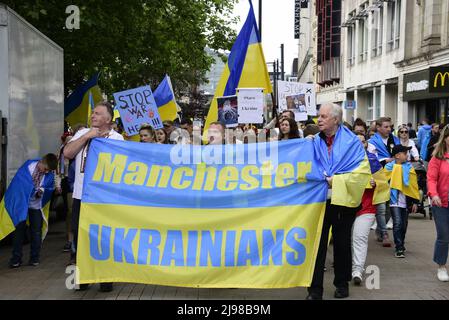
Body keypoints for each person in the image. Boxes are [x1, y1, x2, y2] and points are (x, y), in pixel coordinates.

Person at [307, 103, 370, 300]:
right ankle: (314, 289)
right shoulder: (312, 141)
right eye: (319, 116)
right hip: (317, 201)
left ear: (335, 119)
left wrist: (336, 180)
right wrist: (304, 146)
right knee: (317, 246)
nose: (319, 119)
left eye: (324, 116)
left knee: (342, 245)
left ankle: (342, 284)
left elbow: (361, 173)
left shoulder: (352, 142)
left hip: (343, 202)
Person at [63, 101, 124, 292]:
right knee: (81, 237)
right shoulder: (83, 134)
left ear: (108, 118)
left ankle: (105, 278)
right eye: (93, 113)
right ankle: (82, 278)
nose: (93, 116)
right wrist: (87, 136)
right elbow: (67, 153)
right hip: (82, 196)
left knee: (104, 237)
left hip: (104, 198)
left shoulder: (117, 138)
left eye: (97, 113)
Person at [7, 154, 58, 268]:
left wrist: (42, 190)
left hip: (36, 205)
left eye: (48, 171)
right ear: (42, 162)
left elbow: (50, 188)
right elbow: (17, 183)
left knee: (36, 232)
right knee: (18, 230)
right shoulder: (28, 166)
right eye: (45, 169)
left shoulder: (49, 175)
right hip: (21, 203)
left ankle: (34, 258)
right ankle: (16, 258)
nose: (46, 172)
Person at [351, 133, 382, 285]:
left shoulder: (373, 160)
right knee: (343, 240)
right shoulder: (343, 160)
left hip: (366, 206)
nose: (359, 145)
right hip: (346, 205)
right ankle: (344, 266)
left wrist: (375, 183)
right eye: (356, 142)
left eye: (362, 142)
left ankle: (357, 270)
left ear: (365, 144)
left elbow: (382, 184)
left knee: (359, 237)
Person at [368, 117, 399, 247]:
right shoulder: (372, 141)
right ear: (378, 128)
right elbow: (371, 158)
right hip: (379, 176)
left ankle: (380, 229)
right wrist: (386, 160)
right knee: (381, 207)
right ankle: (385, 233)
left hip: (393, 175)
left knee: (388, 207)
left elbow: (401, 154)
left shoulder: (395, 139)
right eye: (386, 127)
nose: (389, 129)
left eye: (390, 126)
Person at [385, 145, 419, 258]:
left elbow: (414, 186)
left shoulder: (409, 167)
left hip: (406, 201)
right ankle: (399, 247)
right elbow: (383, 182)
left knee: (404, 225)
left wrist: (415, 201)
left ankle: (401, 243)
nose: (407, 155)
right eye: (405, 153)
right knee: (398, 223)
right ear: (397, 155)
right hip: (394, 200)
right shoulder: (389, 167)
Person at [427, 125, 449, 281]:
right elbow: (431, 179)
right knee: (444, 235)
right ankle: (441, 266)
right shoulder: (438, 158)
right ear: (445, 138)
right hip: (441, 203)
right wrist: (434, 194)